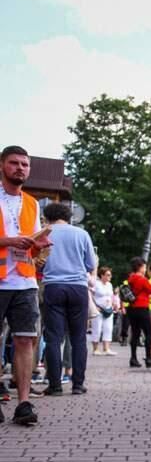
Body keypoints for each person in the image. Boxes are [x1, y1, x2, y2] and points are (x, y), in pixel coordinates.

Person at [0, 145, 51, 425]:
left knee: (25, 339)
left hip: (24, 280)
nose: (20, 168)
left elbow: (30, 242)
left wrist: (38, 244)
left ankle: (23, 403)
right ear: (2, 166)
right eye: (14, 163)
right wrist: (9, 241)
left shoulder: (32, 203)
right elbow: (12, 239)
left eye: (24, 164)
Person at [39, 202, 97, 395]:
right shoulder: (81, 234)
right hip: (78, 288)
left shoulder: (43, 234)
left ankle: (55, 385)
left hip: (53, 287)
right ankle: (78, 384)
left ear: (48, 217)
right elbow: (90, 264)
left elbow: (38, 262)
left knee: (53, 338)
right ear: (68, 216)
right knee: (78, 338)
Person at [125, 258, 151, 369]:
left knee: (135, 333)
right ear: (139, 267)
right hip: (142, 308)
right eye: (144, 267)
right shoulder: (142, 279)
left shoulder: (130, 278)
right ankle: (149, 358)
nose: (145, 269)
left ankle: (133, 358)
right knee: (149, 333)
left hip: (132, 308)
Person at [89, 267, 117, 356]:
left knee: (108, 328)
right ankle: (95, 349)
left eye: (110, 275)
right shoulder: (96, 284)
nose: (110, 276)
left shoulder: (110, 285)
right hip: (98, 309)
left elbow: (111, 296)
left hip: (108, 309)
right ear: (102, 275)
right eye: (108, 275)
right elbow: (90, 295)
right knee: (97, 329)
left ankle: (106, 348)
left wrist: (113, 304)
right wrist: (94, 306)